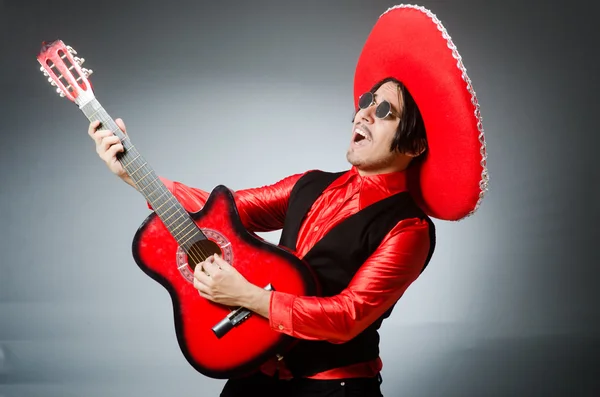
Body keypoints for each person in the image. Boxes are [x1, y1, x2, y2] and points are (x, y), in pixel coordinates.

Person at [87, 5, 488, 397]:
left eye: (384, 110)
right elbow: (217, 210)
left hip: (336, 387)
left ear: (415, 144)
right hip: (257, 374)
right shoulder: (307, 184)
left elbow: (347, 316)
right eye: (367, 100)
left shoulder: (409, 229)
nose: (364, 113)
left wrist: (247, 297)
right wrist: (136, 176)